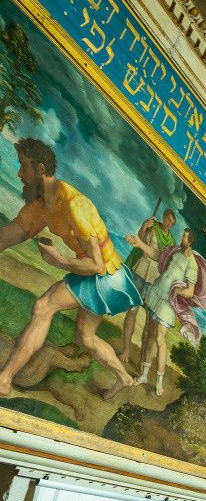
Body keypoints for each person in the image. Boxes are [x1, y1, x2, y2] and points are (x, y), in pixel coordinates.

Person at [0, 138, 140, 399]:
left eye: (23, 167)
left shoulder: (73, 203)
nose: (19, 174)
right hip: (94, 273)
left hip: (106, 275)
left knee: (44, 307)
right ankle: (124, 377)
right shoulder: (42, 206)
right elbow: (8, 237)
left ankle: (4, 379)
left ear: (41, 169)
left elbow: (97, 265)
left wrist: (58, 260)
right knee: (85, 339)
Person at [124, 227, 206, 396]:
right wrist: (139, 244)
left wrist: (178, 291)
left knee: (160, 338)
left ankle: (159, 383)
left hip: (167, 303)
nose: (182, 239)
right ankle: (144, 376)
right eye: (183, 236)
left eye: (185, 237)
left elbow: (189, 291)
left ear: (190, 241)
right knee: (151, 335)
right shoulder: (175, 252)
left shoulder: (192, 264)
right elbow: (157, 255)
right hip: (156, 292)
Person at [119, 208, 176, 363]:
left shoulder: (172, 242)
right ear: (164, 218)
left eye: (172, 223)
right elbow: (140, 239)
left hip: (154, 279)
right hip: (141, 269)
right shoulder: (153, 225)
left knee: (149, 320)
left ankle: (142, 360)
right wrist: (144, 225)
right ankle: (125, 350)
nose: (169, 224)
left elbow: (166, 261)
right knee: (132, 311)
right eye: (168, 220)